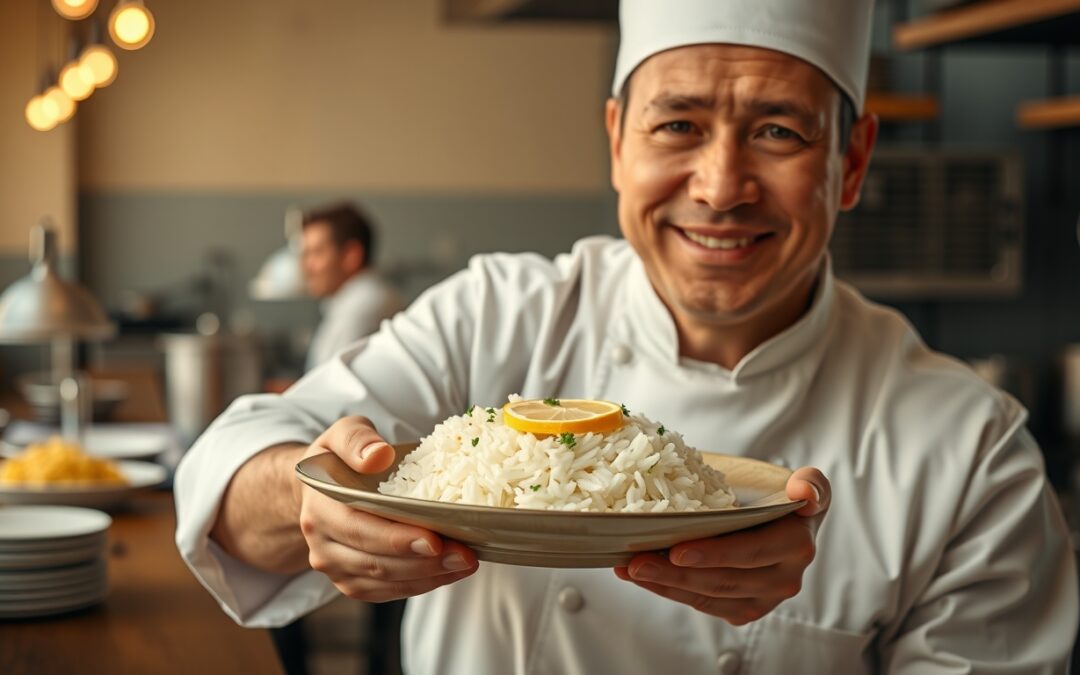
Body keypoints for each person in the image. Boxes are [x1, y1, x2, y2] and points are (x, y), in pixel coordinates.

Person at [175, 0, 1078, 672]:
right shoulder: (498, 312)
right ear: (617, 141)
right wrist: (312, 504)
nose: (720, 187)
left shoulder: (971, 449)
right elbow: (231, 466)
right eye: (678, 124)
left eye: (777, 131)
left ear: (852, 162)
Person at [300, 202, 402, 371]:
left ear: (351, 255)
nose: (306, 267)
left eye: (317, 253)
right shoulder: (353, 301)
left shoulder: (363, 305)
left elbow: (333, 382)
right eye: (305, 254)